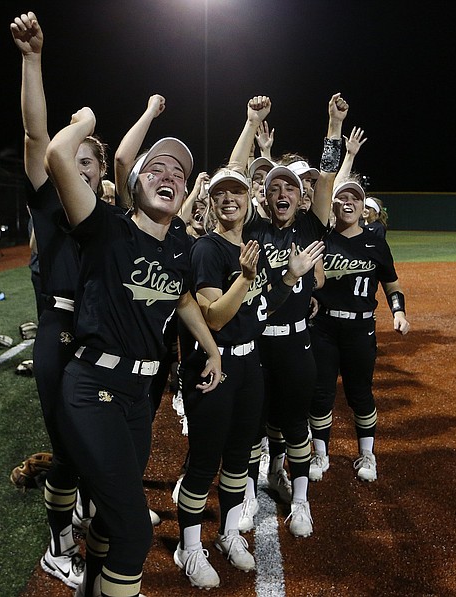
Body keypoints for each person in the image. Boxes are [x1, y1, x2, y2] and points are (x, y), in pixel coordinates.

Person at [45, 103, 222, 597]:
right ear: (136, 181)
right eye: (157, 168)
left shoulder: (181, 247)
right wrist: (85, 120)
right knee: (134, 529)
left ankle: (94, 590)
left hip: (140, 397)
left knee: (108, 519)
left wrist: (212, 348)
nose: (169, 176)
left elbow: (184, 298)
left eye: (179, 173)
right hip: (92, 387)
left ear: (185, 191)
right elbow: (58, 154)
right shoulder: (107, 227)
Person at [174, 166, 324, 589]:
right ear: (209, 203)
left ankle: (227, 534)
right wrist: (244, 277)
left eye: (236, 192)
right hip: (214, 364)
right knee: (205, 462)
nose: (229, 199)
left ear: (247, 199)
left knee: (240, 457)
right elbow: (215, 318)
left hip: (249, 365)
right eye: (220, 193)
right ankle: (188, 546)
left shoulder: (252, 245)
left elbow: (266, 305)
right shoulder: (207, 249)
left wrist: (292, 276)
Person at [11, 11, 107, 589]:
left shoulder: (111, 220)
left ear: (100, 173)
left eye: (89, 162)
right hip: (62, 328)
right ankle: (57, 546)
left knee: (99, 440)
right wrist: (32, 59)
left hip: (105, 336)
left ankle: (94, 515)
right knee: (69, 449)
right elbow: (36, 137)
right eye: (74, 159)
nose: (79, 166)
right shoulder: (49, 205)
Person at [227, 93, 349, 538]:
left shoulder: (309, 225)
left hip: (297, 342)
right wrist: (250, 124)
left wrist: (333, 128)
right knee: (252, 424)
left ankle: (299, 501)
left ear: (302, 198)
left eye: (290, 188)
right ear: (263, 195)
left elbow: (329, 179)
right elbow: (234, 175)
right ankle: (244, 495)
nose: (282, 192)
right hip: (256, 342)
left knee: (294, 423)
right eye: (274, 186)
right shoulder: (252, 227)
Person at [308, 179, 410, 484]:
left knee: (360, 393)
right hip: (324, 326)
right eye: (342, 198)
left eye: (355, 198)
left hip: (361, 327)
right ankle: (319, 453)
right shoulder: (322, 239)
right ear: (334, 204)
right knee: (321, 393)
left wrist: (399, 312)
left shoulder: (375, 241)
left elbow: (391, 282)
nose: (348, 203)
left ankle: (367, 454)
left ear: (362, 206)